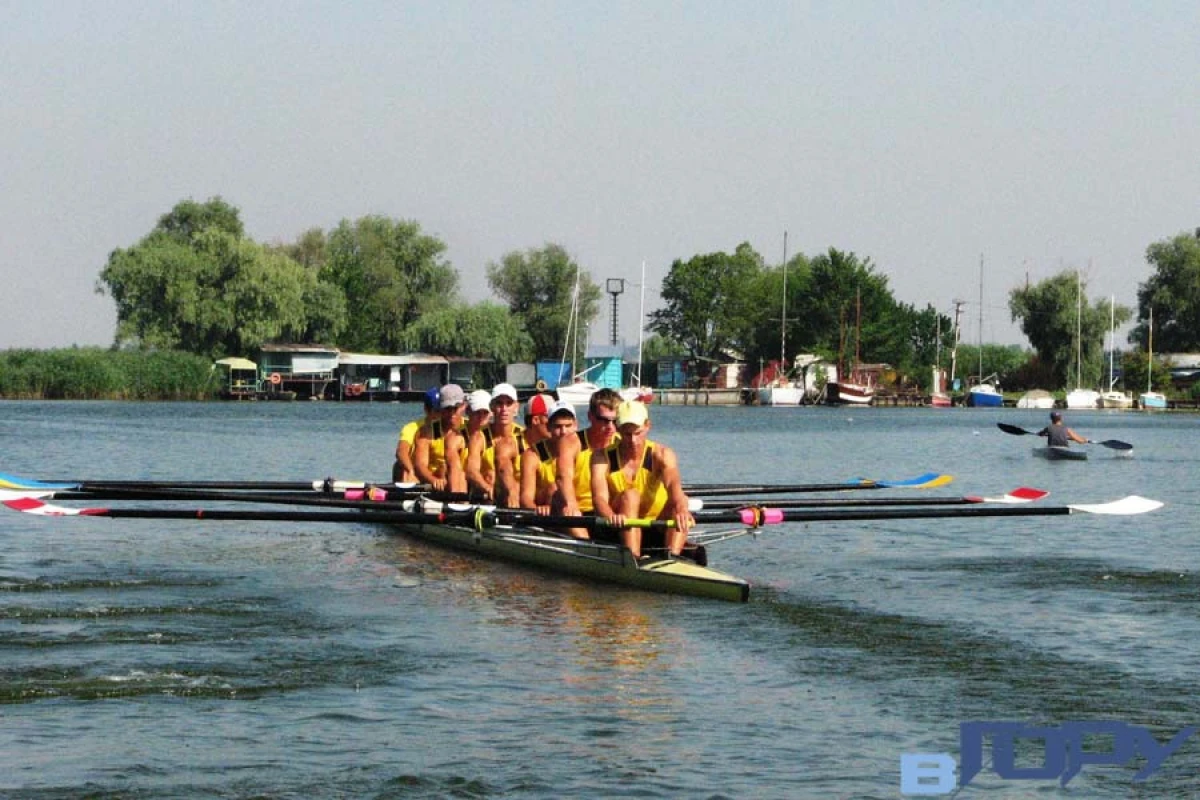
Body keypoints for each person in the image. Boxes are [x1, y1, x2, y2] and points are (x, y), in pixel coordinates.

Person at [590, 400, 693, 559]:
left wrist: (682, 508)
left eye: (637, 433)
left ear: (647, 426)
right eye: (627, 434)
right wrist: (611, 516)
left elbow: (673, 485)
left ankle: (672, 558)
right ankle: (634, 558)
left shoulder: (662, 454)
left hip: (656, 523)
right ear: (618, 428)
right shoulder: (601, 457)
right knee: (630, 495)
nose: (633, 440)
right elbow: (599, 499)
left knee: (681, 500)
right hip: (620, 525)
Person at [520, 401, 590, 539]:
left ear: (576, 425)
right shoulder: (533, 455)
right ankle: (587, 544)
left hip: (584, 509)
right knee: (555, 489)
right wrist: (537, 510)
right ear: (548, 427)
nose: (563, 432)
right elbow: (525, 498)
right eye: (557, 426)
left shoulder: (586, 445)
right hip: (552, 512)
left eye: (568, 426)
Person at [465, 383, 526, 506]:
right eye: (499, 404)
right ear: (492, 407)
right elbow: (471, 471)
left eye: (509, 403)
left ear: (516, 407)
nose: (504, 409)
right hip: (487, 496)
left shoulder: (524, 436)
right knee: (490, 476)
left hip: (517, 495)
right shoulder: (479, 437)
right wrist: (486, 487)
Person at [413, 383, 468, 493]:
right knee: (444, 469)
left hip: (465, 479)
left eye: (455, 408)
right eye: (447, 408)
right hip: (437, 481)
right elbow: (420, 465)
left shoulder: (469, 429)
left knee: (459, 473)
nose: (451, 413)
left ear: (464, 406)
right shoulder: (429, 431)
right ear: (440, 408)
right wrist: (433, 480)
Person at [393, 387, 440, 482]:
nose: (440, 414)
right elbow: (401, 452)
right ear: (426, 409)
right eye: (436, 410)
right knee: (401, 467)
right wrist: (411, 470)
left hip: (438, 472)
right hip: (418, 473)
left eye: (442, 410)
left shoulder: (451, 426)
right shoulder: (411, 428)